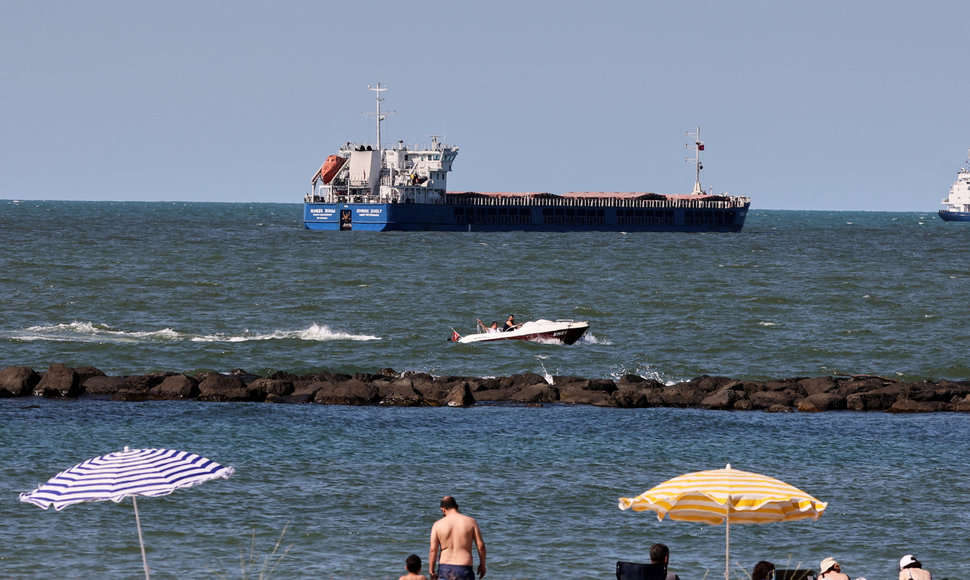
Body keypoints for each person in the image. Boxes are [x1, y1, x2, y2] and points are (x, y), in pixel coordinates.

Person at [429, 496, 486, 580]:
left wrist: (431, 570)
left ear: (443, 510)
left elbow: (433, 550)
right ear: (457, 507)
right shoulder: (471, 522)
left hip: (445, 568)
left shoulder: (437, 525)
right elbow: (480, 546)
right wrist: (482, 565)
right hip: (464, 567)